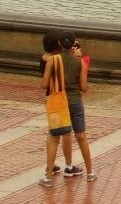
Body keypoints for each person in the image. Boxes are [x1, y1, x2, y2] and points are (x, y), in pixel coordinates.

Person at [38, 33, 73, 187]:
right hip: (59, 100)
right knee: (61, 135)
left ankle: (50, 166)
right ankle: (50, 174)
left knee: (52, 135)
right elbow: (45, 83)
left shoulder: (43, 59)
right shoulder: (57, 60)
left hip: (49, 99)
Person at [59, 36, 94, 180]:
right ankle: (90, 171)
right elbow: (84, 87)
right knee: (81, 136)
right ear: (73, 45)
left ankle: (68, 166)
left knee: (65, 134)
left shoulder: (55, 60)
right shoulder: (79, 62)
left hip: (60, 101)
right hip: (75, 101)